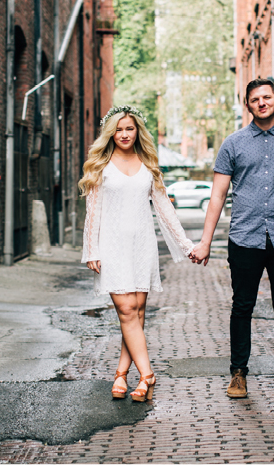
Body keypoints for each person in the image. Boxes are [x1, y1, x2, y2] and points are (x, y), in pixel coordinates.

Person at [189, 78, 274, 400]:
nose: (262, 102)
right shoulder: (233, 144)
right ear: (248, 104)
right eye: (255, 98)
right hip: (244, 238)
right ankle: (238, 374)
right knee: (242, 307)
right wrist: (205, 242)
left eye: (267, 97)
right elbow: (216, 196)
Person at [80, 105, 195, 402]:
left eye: (129, 128)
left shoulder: (148, 163)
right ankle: (148, 375)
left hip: (142, 245)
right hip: (112, 245)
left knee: (136, 315)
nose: (124, 134)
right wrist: (91, 249)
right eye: (118, 129)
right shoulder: (101, 165)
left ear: (137, 130)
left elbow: (165, 208)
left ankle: (122, 374)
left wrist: (186, 245)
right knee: (127, 311)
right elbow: (93, 212)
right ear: (110, 133)